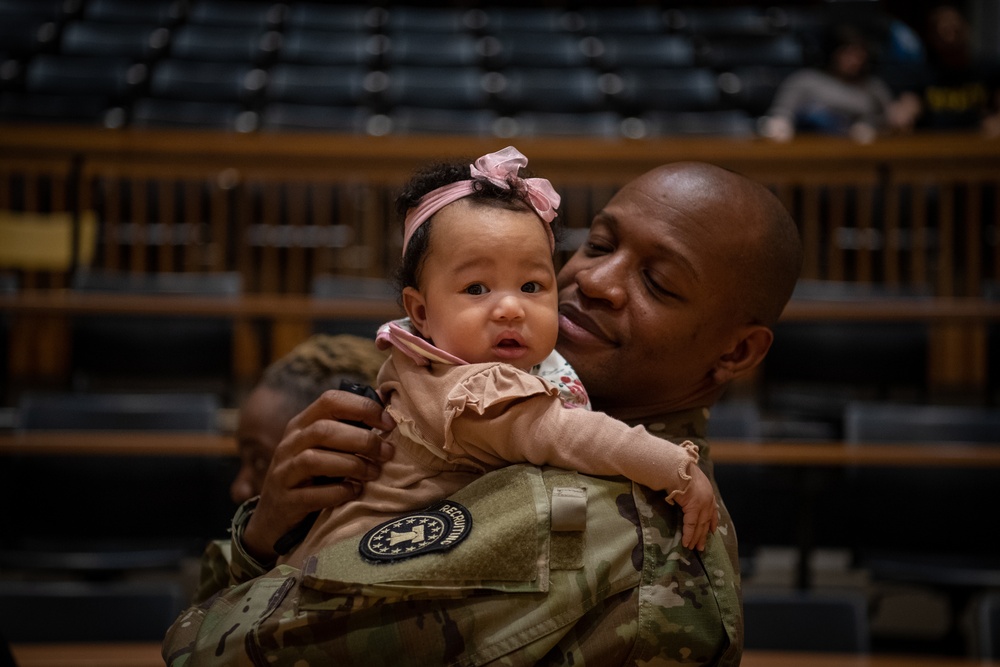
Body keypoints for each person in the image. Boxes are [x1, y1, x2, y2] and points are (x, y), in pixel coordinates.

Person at [164, 160, 803, 666]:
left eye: (659, 283)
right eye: (596, 242)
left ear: (737, 352)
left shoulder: (583, 514)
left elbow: (206, 647)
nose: (597, 280)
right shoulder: (482, 406)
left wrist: (251, 550)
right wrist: (274, 523)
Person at [280, 147, 717, 567]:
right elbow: (569, 433)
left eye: (531, 287)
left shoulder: (429, 362)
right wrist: (674, 468)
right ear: (421, 313)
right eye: (476, 289)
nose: (511, 308)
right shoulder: (473, 391)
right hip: (342, 574)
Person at [192, 333, 388, 603]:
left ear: (339, 455)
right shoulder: (244, 548)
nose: (238, 488)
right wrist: (256, 544)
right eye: (241, 461)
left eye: (261, 461)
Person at [760, 24, 910, 143]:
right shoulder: (805, 81)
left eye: (859, 55)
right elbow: (780, 115)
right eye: (847, 53)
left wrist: (874, 126)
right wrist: (780, 126)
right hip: (808, 151)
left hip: (858, 156)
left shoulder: (874, 86)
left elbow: (890, 120)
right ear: (834, 53)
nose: (854, 60)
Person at [892, 4, 1000, 136]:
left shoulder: (989, 69)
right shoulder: (921, 73)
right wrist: (904, 112)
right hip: (934, 146)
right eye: (944, 31)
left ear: (967, 29)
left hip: (978, 144)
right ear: (933, 38)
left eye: (956, 30)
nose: (951, 38)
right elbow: (909, 103)